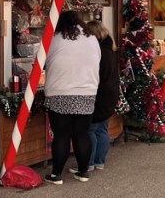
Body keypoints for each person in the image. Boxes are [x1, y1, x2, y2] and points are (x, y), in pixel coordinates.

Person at [42, 10, 100, 184]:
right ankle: (83, 172)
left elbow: (41, 61)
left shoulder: (54, 38)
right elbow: (97, 60)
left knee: (62, 135)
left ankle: (56, 175)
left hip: (59, 92)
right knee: (82, 134)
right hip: (87, 92)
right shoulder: (92, 39)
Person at [83, 20, 117, 171]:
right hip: (110, 93)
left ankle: (88, 163)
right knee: (102, 129)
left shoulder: (96, 51)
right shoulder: (110, 48)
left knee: (90, 129)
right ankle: (99, 161)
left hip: (98, 93)